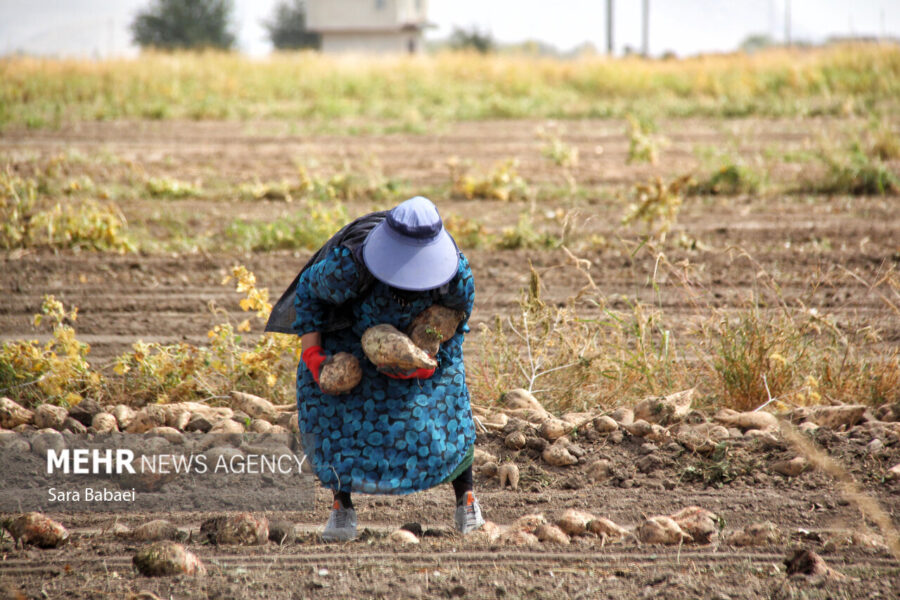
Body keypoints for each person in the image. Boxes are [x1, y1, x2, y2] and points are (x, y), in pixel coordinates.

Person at [268, 196, 484, 542]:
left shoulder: (454, 273)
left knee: (448, 412)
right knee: (334, 414)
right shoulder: (349, 266)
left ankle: (467, 499)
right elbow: (309, 294)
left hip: (423, 345)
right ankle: (341, 506)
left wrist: (426, 359)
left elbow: (456, 323)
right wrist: (314, 356)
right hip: (354, 339)